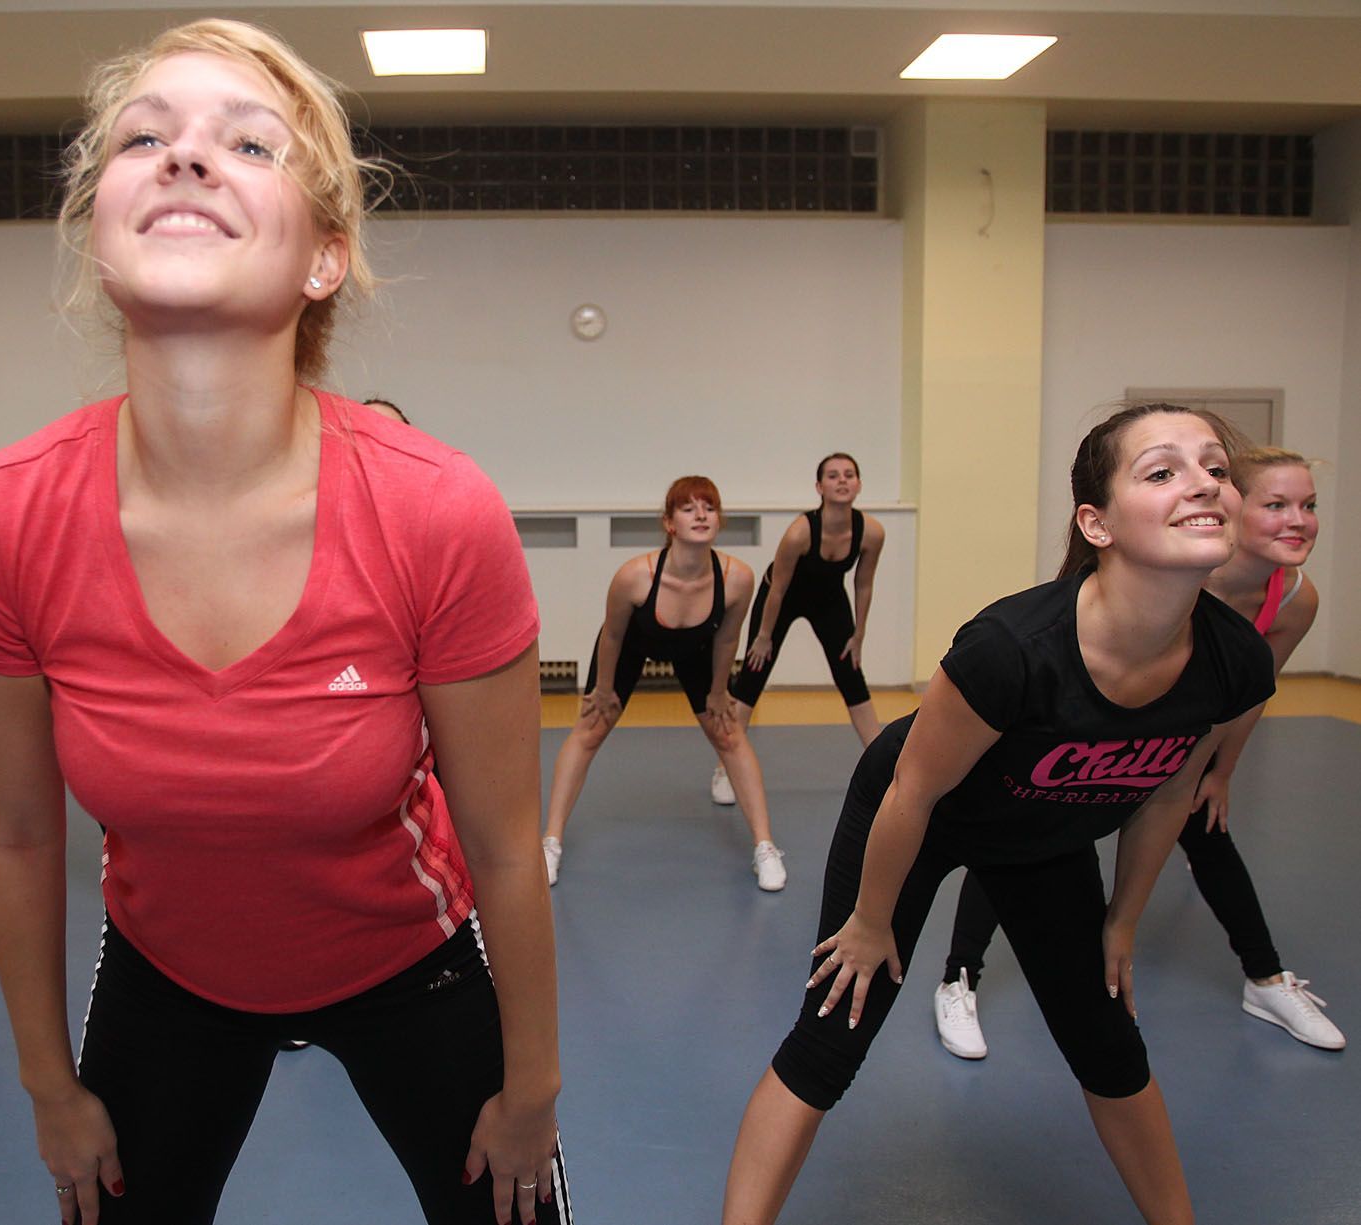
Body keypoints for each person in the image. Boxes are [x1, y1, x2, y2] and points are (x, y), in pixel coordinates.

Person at [0, 20, 565, 1225]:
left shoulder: (436, 510)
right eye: (145, 135)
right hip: (167, 972)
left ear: (325, 258)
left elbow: (500, 840)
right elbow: (10, 835)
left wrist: (531, 1084)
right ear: (98, 233)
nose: (184, 157)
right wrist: (46, 1087)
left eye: (248, 143)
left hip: (408, 963)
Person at [722, 404, 1275, 1225]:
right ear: (1097, 523)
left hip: (1043, 838)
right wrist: (873, 922)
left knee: (1108, 1042)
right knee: (833, 1032)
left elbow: (1164, 792)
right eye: (1163, 470)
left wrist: (1121, 921)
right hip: (923, 813)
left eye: (1217, 469)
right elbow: (913, 791)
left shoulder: (1235, 661)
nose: (1204, 482)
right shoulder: (1013, 648)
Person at [933, 444, 1343, 1059]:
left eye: (1308, 505)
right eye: (1276, 504)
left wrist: (1220, 771)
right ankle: (958, 976)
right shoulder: (1163, 570)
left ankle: (1266, 979)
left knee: (1209, 832)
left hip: (1178, 747)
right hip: (1092, 740)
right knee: (1023, 837)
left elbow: (1246, 699)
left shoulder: (1292, 600)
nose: (1298, 520)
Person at [542, 476, 787, 891]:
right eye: (689, 508)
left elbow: (728, 637)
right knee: (588, 731)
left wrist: (716, 691)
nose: (701, 515)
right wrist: (603, 689)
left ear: (719, 519)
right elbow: (614, 635)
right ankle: (549, 844)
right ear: (669, 523)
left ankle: (765, 847)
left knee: (729, 735)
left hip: (697, 649)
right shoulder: (634, 576)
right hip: (632, 643)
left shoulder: (737, 578)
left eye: (709, 508)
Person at [710, 453, 885, 806]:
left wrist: (859, 634)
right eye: (833, 476)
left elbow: (864, 584)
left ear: (859, 484)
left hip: (829, 601)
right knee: (752, 678)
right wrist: (763, 636)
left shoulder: (871, 532)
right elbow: (778, 588)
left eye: (849, 475)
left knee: (851, 676)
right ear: (820, 487)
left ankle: (884, 767)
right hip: (782, 598)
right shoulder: (801, 532)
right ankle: (724, 768)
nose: (842, 480)